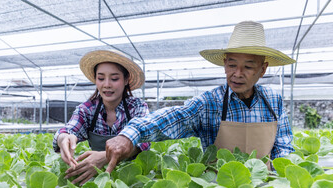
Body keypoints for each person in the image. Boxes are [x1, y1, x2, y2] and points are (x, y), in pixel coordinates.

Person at [105, 21, 296, 171]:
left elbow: (283, 147)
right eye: (231, 65)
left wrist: (277, 177)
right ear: (224, 64)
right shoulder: (210, 102)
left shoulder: (273, 100)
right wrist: (131, 134)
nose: (237, 73)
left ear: (262, 69)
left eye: (247, 66)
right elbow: (175, 117)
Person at [53, 50, 150, 185]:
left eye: (114, 78)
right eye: (101, 78)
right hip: (97, 177)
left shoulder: (137, 107)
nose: (107, 84)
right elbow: (70, 129)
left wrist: (106, 156)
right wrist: (64, 138)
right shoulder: (87, 110)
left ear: (126, 79)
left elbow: (144, 141)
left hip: (133, 180)